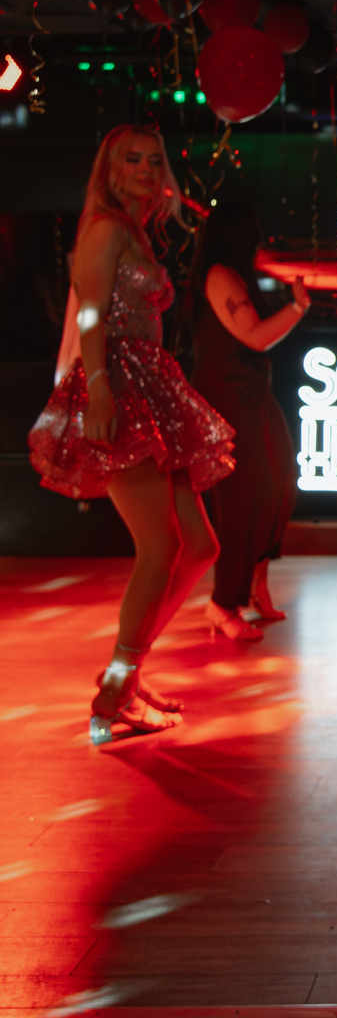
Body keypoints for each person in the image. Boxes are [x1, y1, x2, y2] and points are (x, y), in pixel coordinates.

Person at [28, 125, 234, 742]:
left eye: (154, 159)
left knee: (200, 547)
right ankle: (116, 690)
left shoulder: (136, 230)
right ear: (110, 170)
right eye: (132, 159)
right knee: (161, 547)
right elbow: (91, 313)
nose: (146, 168)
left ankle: (128, 672)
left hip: (147, 383)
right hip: (118, 385)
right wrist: (98, 390)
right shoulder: (105, 228)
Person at [187, 202, 310, 639]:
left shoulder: (236, 275)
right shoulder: (220, 275)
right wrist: (296, 308)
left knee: (280, 484)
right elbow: (255, 336)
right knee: (246, 497)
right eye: (254, 236)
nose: (259, 245)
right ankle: (223, 604)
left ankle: (256, 586)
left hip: (253, 393)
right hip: (227, 396)